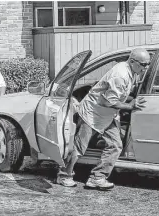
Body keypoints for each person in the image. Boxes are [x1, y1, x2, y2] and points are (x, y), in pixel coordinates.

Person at [56, 48, 149, 190]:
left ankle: (97, 177)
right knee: (79, 148)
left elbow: (117, 96)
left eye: (147, 64)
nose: (146, 67)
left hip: (107, 114)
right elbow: (106, 102)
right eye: (143, 64)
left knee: (115, 145)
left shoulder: (132, 71)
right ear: (132, 61)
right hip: (92, 113)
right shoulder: (121, 75)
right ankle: (64, 175)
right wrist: (130, 106)